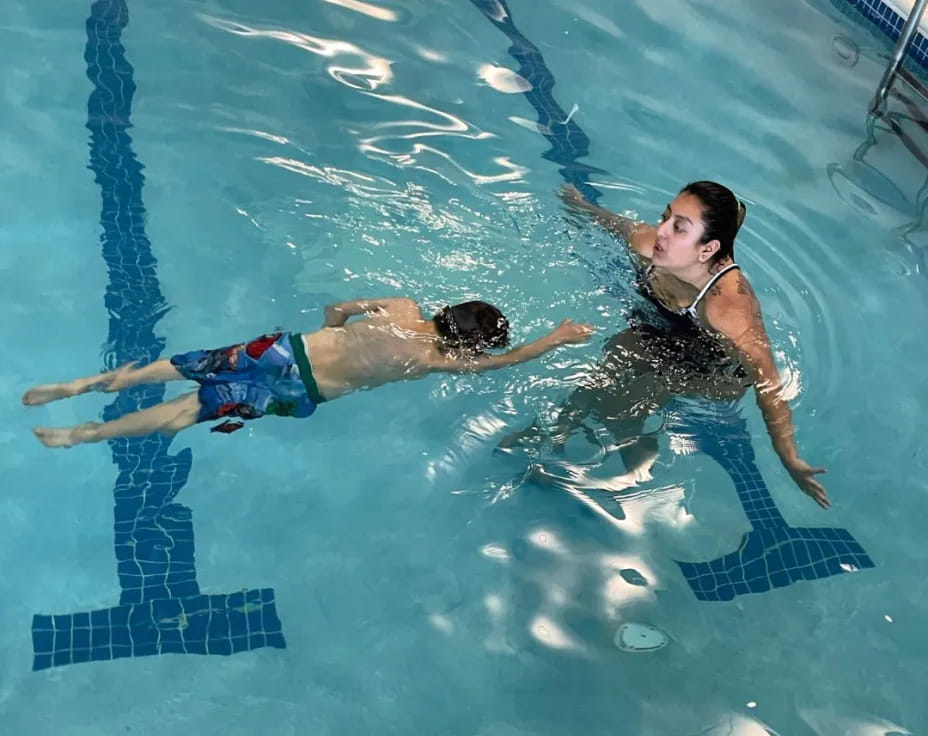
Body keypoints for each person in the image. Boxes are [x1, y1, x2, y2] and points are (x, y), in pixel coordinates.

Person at [500, 181, 830, 509]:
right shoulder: (655, 247)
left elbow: (767, 381)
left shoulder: (728, 308)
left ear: (707, 249)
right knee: (606, 367)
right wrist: (580, 206)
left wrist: (789, 457)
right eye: (666, 217)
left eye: (680, 228)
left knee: (623, 406)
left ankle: (633, 473)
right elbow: (620, 225)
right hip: (663, 331)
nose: (662, 231)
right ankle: (553, 437)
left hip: (713, 367)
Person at [23, 298, 593, 448]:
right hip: (299, 390)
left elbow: (338, 310)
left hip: (280, 352)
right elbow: (508, 361)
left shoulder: (399, 307)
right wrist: (559, 338)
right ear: (466, 347)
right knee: (185, 414)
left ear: (447, 308)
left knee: (178, 367)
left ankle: (82, 386)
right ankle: (83, 435)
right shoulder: (430, 361)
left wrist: (329, 331)